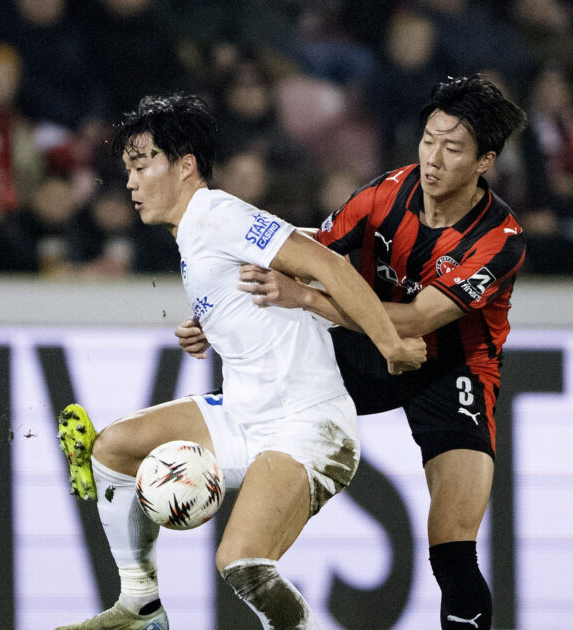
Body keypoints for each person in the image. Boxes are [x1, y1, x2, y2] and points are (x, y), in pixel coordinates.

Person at [54, 94, 427, 630]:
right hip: (245, 414)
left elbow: (329, 266)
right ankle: (141, 607)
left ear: (184, 167)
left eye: (141, 167)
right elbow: (259, 297)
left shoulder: (219, 215)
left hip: (307, 425)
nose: (131, 183)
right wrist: (214, 325)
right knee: (112, 449)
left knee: (242, 563)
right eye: (127, 171)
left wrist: (389, 342)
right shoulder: (194, 234)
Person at [177, 74, 528, 629]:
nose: (433, 158)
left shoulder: (498, 240)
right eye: (429, 139)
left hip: (450, 369)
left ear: (484, 161)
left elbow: (415, 323)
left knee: (453, 549)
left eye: (453, 148)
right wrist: (215, 315)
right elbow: (314, 247)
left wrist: (307, 299)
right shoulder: (388, 192)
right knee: (266, 388)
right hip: (365, 346)